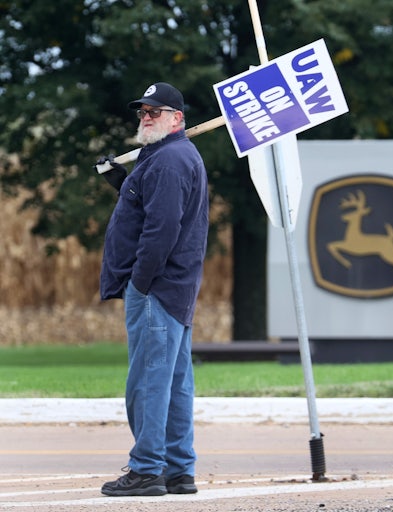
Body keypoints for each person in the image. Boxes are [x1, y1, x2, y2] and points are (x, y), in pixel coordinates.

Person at [95, 82, 209, 497]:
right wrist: (122, 182)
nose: (146, 117)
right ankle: (179, 470)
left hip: (156, 288)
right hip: (175, 287)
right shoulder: (168, 157)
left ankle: (145, 470)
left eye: (155, 112)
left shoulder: (168, 161)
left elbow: (161, 230)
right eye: (143, 112)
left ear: (177, 118)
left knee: (147, 382)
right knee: (175, 383)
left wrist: (140, 281)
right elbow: (149, 207)